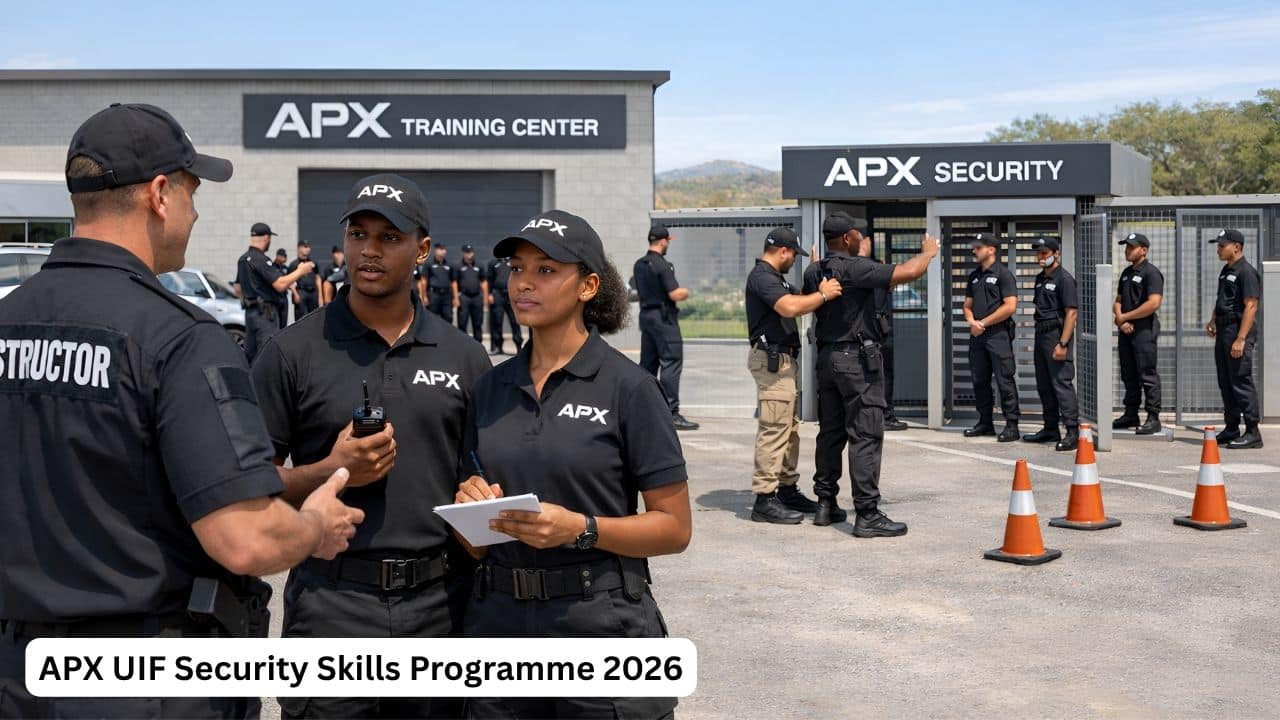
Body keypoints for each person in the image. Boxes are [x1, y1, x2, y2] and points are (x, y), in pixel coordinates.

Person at [0, 102, 362, 720]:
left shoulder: (9, 320)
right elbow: (244, 540)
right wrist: (314, 528)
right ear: (161, 194)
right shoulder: (179, 338)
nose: (196, 214)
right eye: (194, 193)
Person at [252, 173, 490, 719]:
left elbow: (479, 481)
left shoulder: (464, 358)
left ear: (422, 250)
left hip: (439, 607)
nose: (370, 250)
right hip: (330, 605)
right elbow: (248, 487)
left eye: (389, 237)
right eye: (358, 234)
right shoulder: (291, 352)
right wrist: (332, 470)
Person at [455, 209, 691, 719]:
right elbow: (474, 543)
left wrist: (582, 529)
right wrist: (470, 512)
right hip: (500, 627)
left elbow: (674, 529)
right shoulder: (490, 389)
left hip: (600, 623)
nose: (524, 283)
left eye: (545, 270)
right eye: (517, 269)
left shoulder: (630, 388)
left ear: (587, 286)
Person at [803, 213, 939, 535]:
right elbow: (909, 271)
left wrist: (817, 264)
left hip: (827, 359)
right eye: (856, 235)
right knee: (865, 434)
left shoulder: (814, 271)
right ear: (847, 238)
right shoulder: (856, 268)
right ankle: (867, 514)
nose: (860, 239)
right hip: (856, 362)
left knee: (830, 433)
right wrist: (928, 253)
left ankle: (825, 503)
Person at [743, 227, 842, 524]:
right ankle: (764, 499)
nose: (794, 261)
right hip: (772, 362)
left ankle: (786, 489)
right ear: (783, 251)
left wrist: (815, 274)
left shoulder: (776, 279)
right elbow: (789, 307)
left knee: (789, 429)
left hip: (783, 362)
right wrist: (823, 294)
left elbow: (799, 297)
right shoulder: (762, 277)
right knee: (775, 428)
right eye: (793, 256)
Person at [633, 223, 698, 431]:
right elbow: (674, 293)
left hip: (646, 317)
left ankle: (642, 409)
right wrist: (687, 292)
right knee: (671, 362)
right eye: (667, 242)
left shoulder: (639, 264)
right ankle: (671, 413)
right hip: (664, 319)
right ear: (663, 242)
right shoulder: (663, 265)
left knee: (648, 364)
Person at [1021, 237, 1080, 452]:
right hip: (1041, 334)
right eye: (1038, 253)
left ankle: (1072, 431)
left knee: (1061, 384)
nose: (1040, 257)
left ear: (1056, 254)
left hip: (1056, 335)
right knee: (1044, 384)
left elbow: (1071, 314)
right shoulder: (1040, 278)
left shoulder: (1064, 279)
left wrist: (1063, 343)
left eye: (1044, 253)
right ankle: (1050, 428)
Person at [1208, 228, 1264, 449]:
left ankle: (1252, 432)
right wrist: (1213, 320)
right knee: (1226, 381)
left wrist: (1241, 338)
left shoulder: (1246, 272)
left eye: (1222, 246)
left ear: (1237, 247)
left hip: (1237, 331)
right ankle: (1231, 427)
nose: (1219, 249)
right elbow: (1222, 299)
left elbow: (1251, 306)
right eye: (1218, 246)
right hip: (1224, 330)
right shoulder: (1226, 270)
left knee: (1240, 381)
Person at [962, 232, 1020, 442]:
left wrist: (983, 323)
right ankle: (985, 422)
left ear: (991, 249)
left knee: (1005, 379)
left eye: (978, 247)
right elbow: (967, 306)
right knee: (979, 380)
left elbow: (1010, 306)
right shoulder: (974, 276)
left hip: (998, 334)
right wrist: (972, 322)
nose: (974, 250)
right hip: (978, 335)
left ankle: (1012, 425)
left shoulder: (1004, 275)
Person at [236, 221, 313, 361]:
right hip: (265, 314)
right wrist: (301, 271)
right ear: (266, 238)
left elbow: (237, 288)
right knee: (269, 355)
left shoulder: (243, 259)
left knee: (251, 356)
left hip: (250, 313)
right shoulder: (260, 259)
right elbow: (280, 284)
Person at [1113, 232, 1164, 435]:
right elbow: (1118, 300)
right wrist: (1121, 319)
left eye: (1131, 247)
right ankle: (1131, 414)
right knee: (1129, 374)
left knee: (1147, 374)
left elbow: (1154, 303)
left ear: (1144, 250)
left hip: (1144, 330)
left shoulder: (1151, 273)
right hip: (1126, 330)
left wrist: (1125, 317)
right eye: (1126, 247)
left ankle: (1153, 417)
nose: (1127, 250)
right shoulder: (1126, 273)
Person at [859, 230, 908, 431]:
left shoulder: (850, 269)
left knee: (870, 375)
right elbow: (898, 279)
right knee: (882, 375)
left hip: (865, 332)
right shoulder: (876, 269)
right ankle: (885, 417)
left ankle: (877, 417)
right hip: (877, 332)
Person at [487, 253, 523, 354]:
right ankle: (498, 346)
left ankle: (518, 346)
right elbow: (490, 280)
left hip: (511, 295)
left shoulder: (513, 262)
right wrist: (489, 294)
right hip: (498, 294)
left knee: (514, 321)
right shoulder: (493, 263)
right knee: (497, 320)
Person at [453, 243, 488, 343]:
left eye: (471, 252)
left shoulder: (479, 265)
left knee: (477, 323)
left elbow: (484, 282)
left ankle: (478, 345)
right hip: (464, 298)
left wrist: (485, 298)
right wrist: (456, 298)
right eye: (467, 252)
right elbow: (454, 283)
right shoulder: (458, 266)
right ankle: (463, 345)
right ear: (463, 253)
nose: (469, 254)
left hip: (477, 297)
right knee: (462, 323)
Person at [419, 243, 454, 322]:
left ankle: (446, 331)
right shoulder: (429, 264)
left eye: (444, 249)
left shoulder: (449, 264)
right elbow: (424, 280)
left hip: (447, 295)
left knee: (448, 317)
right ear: (436, 251)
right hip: (434, 294)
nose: (443, 251)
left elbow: (453, 281)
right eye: (441, 249)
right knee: (432, 317)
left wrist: (454, 297)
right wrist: (424, 296)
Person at [289, 239, 320, 319]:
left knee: (314, 317)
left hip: (313, 292)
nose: (308, 249)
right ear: (299, 248)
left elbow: (317, 278)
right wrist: (295, 294)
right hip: (301, 292)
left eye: (308, 247)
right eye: (305, 247)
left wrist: (320, 295)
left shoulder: (313, 262)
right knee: (301, 318)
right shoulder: (294, 264)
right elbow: (290, 282)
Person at [273, 248, 293, 329]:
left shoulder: (285, 268)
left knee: (284, 321)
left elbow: (290, 281)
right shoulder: (271, 267)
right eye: (283, 256)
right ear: (278, 256)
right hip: (274, 297)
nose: (285, 258)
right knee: (275, 322)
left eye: (285, 256)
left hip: (283, 296)